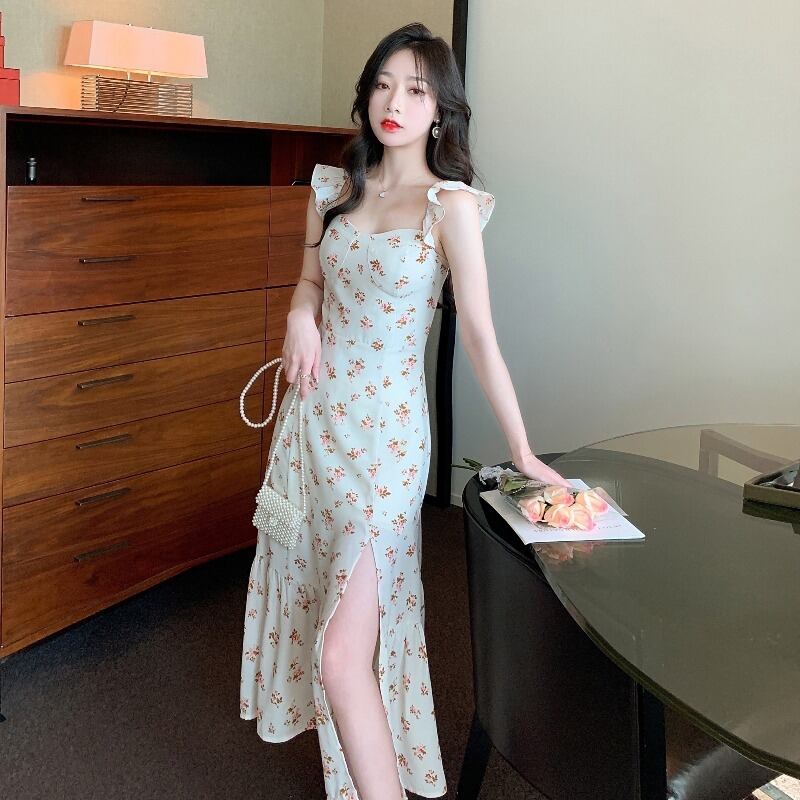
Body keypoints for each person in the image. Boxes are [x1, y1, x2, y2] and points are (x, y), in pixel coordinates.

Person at [240, 21, 570, 800]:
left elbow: (479, 334)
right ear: (366, 96)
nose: (395, 102)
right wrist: (298, 317)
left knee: (340, 654)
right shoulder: (333, 189)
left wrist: (523, 450)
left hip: (386, 444)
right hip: (313, 428)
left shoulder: (451, 206)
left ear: (440, 110)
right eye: (384, 85)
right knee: (321, 607)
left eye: (416, 90)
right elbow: (311, 283)